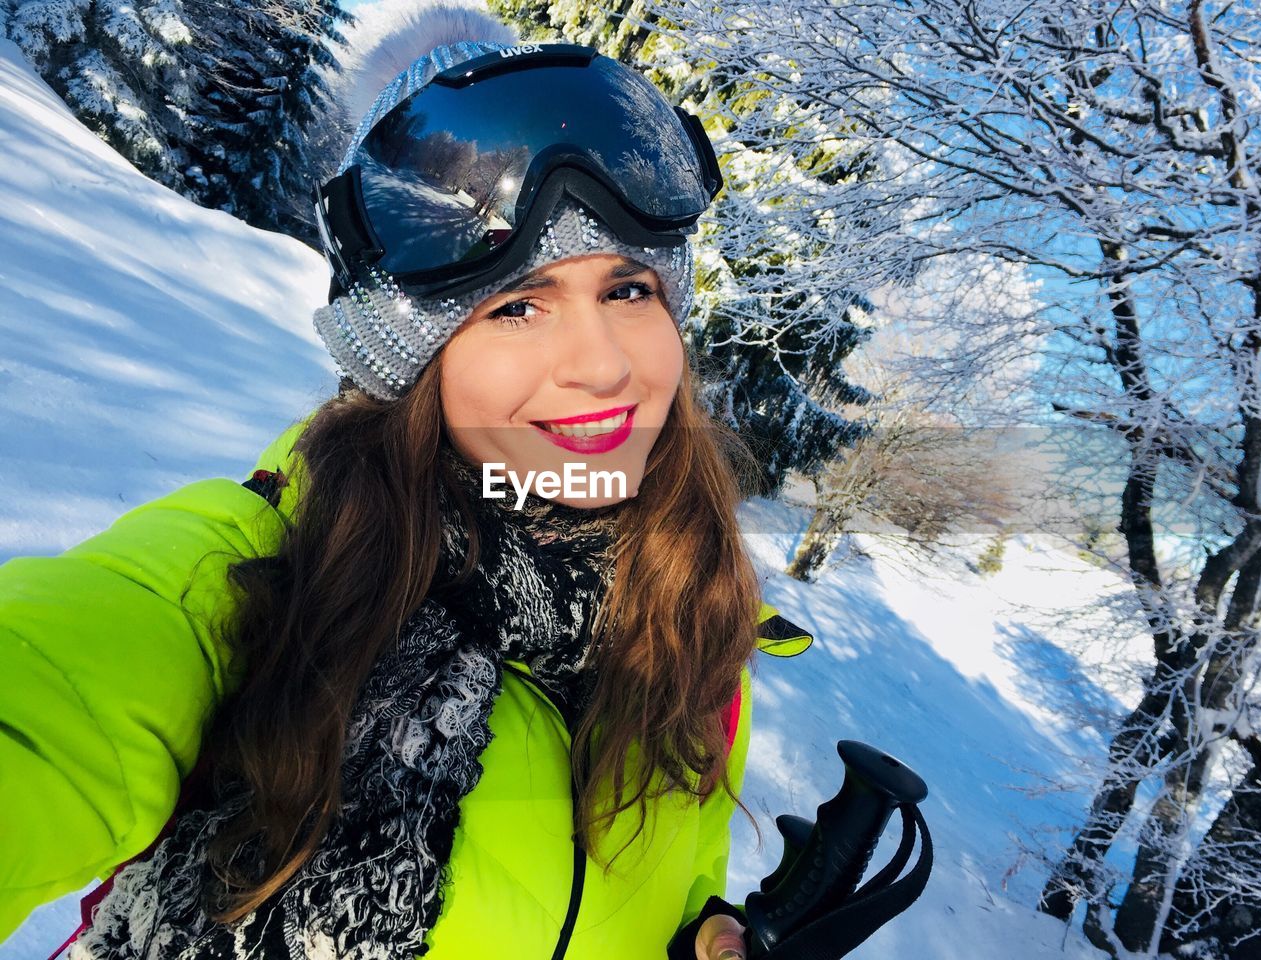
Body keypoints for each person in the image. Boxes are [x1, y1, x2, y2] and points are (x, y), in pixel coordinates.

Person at [0, 8, 813, 960]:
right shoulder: (262, 581)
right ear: (406, 359)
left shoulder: (690, 611)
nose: (603, 367)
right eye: (516, 306)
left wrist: (699, 930)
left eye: (628, 290)